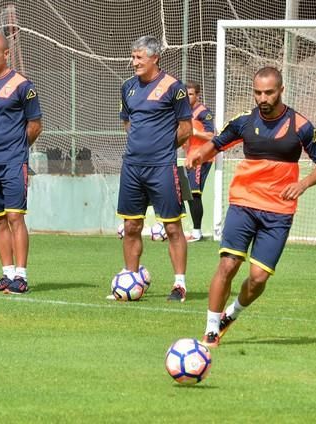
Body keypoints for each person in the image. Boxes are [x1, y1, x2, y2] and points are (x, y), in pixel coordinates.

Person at [186, 66, 316, 347]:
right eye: (257, 93)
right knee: (228, 265)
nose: (262, 98)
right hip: (243, 204)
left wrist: (303, 184)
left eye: (268, 92)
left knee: (257, 278)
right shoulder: (244, 121)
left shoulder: (300, 126)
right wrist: (199, 155)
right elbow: (217, 144)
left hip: (278, 212)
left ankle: (232, 314)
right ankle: (211, 329)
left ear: (281, 90)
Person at [114, 35, 192, 302]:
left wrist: (161, 147)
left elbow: (186, 129)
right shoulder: (127, 87)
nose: (134, 62)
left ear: (155, 57)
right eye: (133, 57)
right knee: (131, 226)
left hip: (163, 167)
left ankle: (179, 285)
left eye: (139, 57)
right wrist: (141, 143)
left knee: (172, 228)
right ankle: (131, 279)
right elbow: (127, 122)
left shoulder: (174, 87)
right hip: (132, 167)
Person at [0, 32, 43, 294]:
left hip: (13, 162)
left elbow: (35, 125)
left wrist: (16, 149)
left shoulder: (23, 86)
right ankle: (7, 274)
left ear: (6, 54)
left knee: (15, 216)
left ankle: (21, 277)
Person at [183, 81, 216, 242]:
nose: (187, 97)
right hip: (190, 157)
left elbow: (212, 135)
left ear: (197, 95)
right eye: (185, 94)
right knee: (188, 193)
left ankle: (197, 232)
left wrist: (194, 132)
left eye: (190, 94)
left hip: (201, 158)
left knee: (194, 194)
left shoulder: (203, 112)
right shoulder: (184, 112)